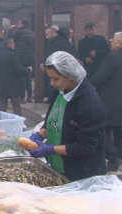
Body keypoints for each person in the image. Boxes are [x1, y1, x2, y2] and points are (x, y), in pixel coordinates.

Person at [29, 51, 106, 181]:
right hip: (58, 166)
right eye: (50, 78)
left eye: (55, 79)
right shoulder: (60, 91)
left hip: (80, 172)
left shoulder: (90, 105)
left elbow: (85, 147)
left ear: (70, 76)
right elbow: (51, 120)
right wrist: (40, 134)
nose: (52, 83)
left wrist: (50, 149)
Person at [90, 32, 122, 172]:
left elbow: (99, 77)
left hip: (110, 103)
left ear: (119, 43)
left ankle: (113, 157)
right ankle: (116, 161)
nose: (111, 42)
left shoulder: (112, 57)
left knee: (99, 129)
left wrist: (86, 88)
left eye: (113, 40)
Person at [0, 38, 32, 116]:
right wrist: (28, 69)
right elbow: (19, 70)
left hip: (2, 86)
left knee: (2, 108)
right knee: (16, 108)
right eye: (13, 43)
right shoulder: (14, 55)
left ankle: (0, 124)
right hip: (14, 86)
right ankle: (19, 125)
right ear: (9, 44)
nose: (14, 45)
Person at [40, 26, 74, 101]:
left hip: (60, 72)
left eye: (47, 35)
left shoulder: (60, 42)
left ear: (53, 33)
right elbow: (49, 54)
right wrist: (43, 62)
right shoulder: (56, 42)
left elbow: (55, 56)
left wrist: (45, 63)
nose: (47, 37)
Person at [7, 19, 35, 103]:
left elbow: (10, 39)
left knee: (21, 77)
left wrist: (12, 29)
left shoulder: (19, 32)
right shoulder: (32, 33)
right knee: (28, 77)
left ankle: (22, 97)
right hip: (30, 56)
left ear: (22, 24)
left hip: (21, 56)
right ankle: (29, 96)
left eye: (18, 23)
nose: (17, 25)